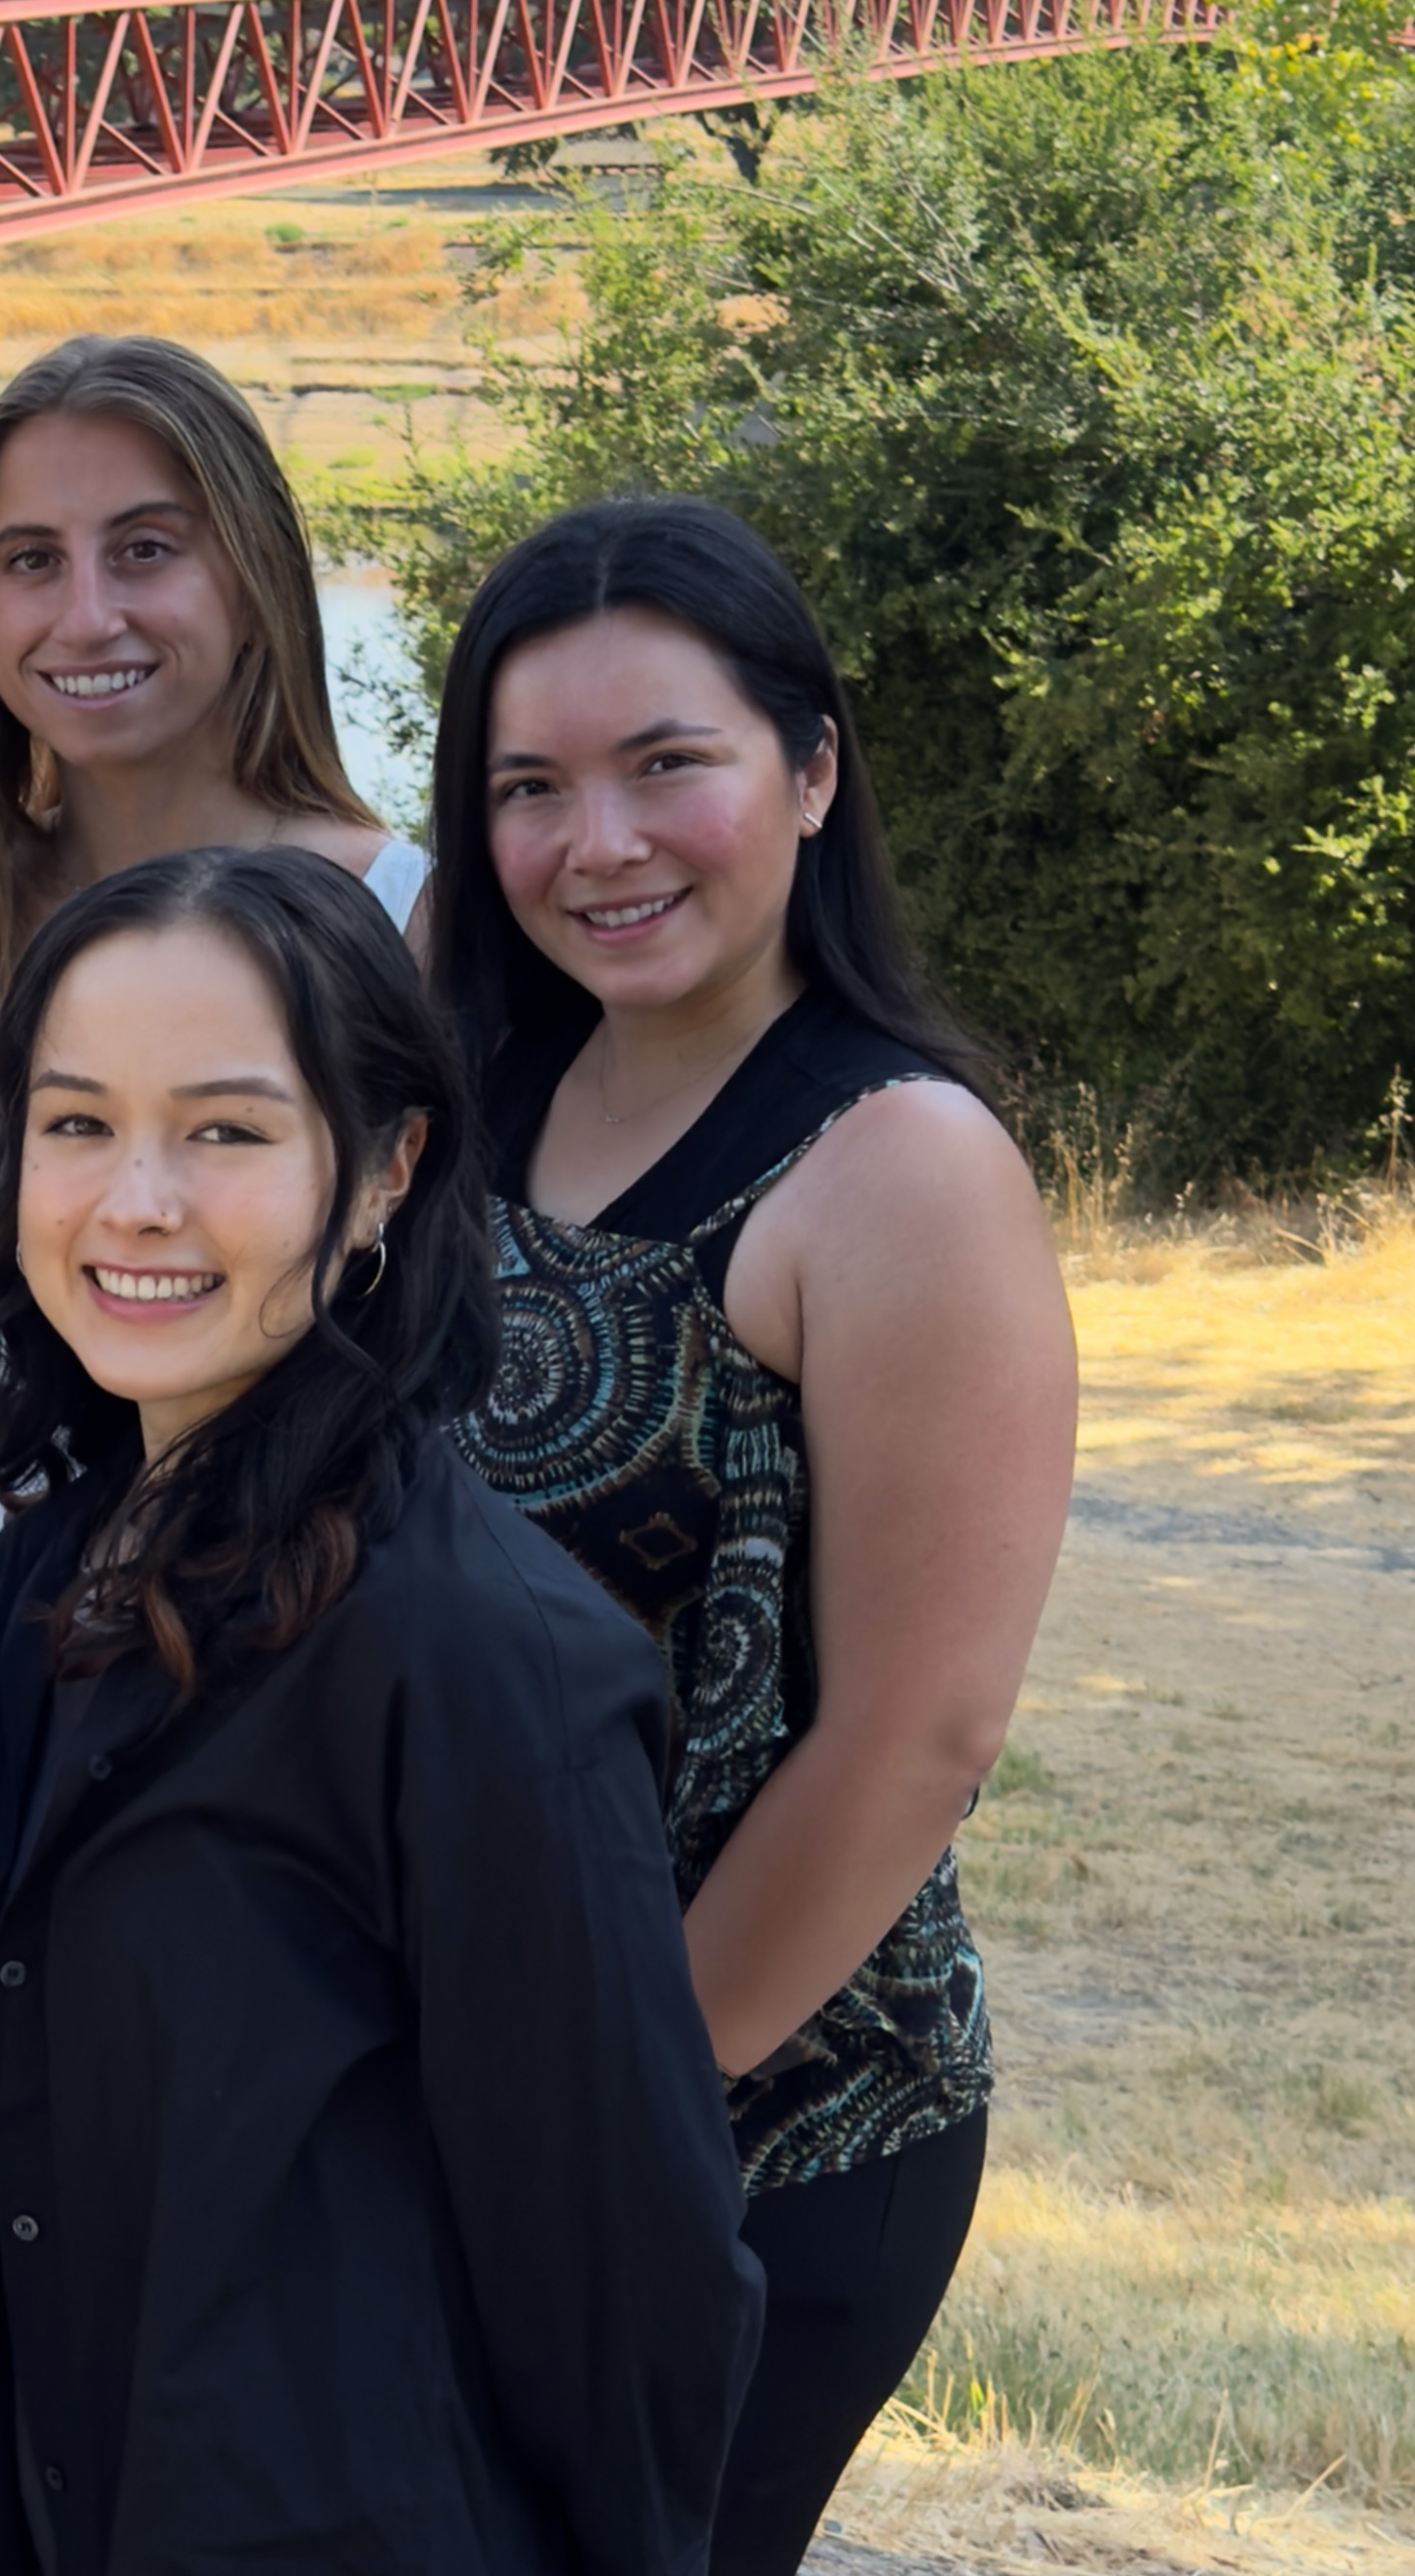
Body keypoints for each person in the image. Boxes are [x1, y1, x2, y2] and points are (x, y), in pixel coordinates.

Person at [0, 846, 762, 2575]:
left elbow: (627, 2278)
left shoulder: (477, 1657)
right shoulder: (33, 1588)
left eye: (225, 1131)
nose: (134, 1202)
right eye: (75, 1125)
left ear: (383, 1170)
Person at [429, 498, 1077, 2576]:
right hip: (479, 2097)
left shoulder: (896, 1167)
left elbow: (916, 1732)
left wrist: (598, 2114)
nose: (592, 840)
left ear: (806, 771)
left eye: (662, 764)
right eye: (526, 787)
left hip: (759, 2118)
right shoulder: (488, 1091)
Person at [0, 335, 431, 1689]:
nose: (86, 616)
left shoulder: (406, 920)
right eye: (31, 560)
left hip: (278, 1707)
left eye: (146, 549)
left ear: (251, 574)